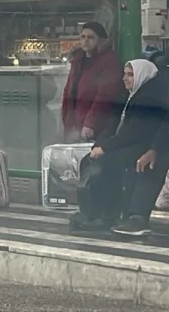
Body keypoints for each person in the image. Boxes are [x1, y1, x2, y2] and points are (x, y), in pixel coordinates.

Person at [71, 59, 169, 234]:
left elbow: (136, 131)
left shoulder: (149, 97)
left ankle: (130, 217)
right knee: (94, 161)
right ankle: (96, 213)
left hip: (148, 146)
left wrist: (106, 148)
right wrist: (99, 145)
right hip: (134, 145)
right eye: (125, 74)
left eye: (130, 74)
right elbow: (113, 125)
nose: (125, 78)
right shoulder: (129, 96)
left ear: (142, 76)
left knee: (114, 163)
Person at [61, 21, 123, 144]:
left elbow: (105, 96)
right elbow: (68, 91)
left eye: (91, 37)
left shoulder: (108, 62)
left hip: (96, 126)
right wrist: (66, 119)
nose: (85, 41)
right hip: (75, 122)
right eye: (83, 37)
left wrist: (91, 124)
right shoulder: (78, 61)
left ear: (100, 40)